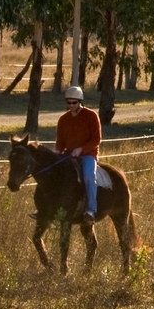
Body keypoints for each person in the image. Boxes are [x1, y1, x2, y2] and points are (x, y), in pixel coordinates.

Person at [55, 86, 101, 223]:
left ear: (80, 101)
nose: (71, 106)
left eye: (74, 103)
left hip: (88, 155)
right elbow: (60, 140)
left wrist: (81, 149)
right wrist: (57, 151)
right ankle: (48, 207)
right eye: (68, 103)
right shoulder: (63, 119)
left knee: (88, 175)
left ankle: (91, 209)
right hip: (68, 155)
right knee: (53, 174)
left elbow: (97, 139)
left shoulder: (91, 116)